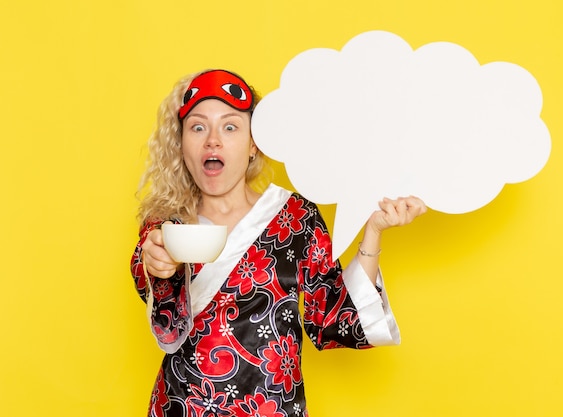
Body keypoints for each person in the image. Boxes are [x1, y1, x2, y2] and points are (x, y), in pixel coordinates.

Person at [130, 69, 427, 417]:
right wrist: (156, 267)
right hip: (181, 407)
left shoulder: (295, 215)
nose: (213, 140)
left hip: (273, 408)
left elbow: (331, 318)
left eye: (230, 126)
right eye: (198, 127)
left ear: (254, 143)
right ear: (182, 144)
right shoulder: (166, 226)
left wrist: (374, 230)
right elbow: (161, 308)